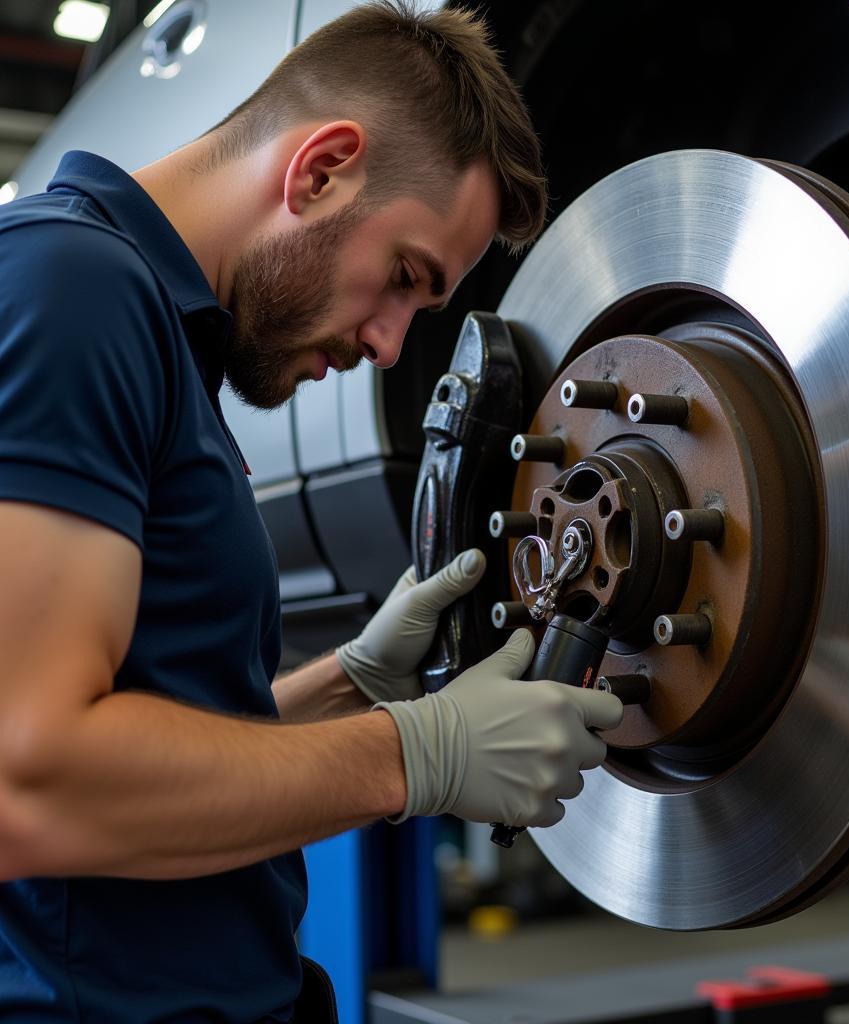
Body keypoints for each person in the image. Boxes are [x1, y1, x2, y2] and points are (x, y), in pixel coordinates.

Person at [0, 2, 623, 1022]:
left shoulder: (156, 333)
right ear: (321, 168)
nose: (388, 345)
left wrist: (350, 685)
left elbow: (151, 738)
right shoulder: (68, 289)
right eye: (403, 279)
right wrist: (412, 754)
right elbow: (29, 781)